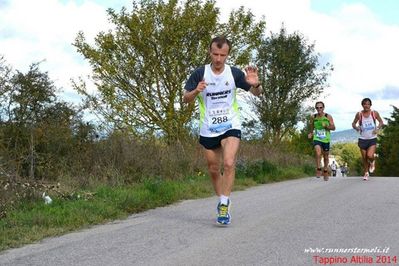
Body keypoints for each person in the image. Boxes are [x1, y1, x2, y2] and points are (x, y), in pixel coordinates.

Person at [183, 36, 263, 225]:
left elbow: (257, 94)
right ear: (210, 52)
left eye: (223, 55)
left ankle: (225, 204)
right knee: (213, 169)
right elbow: (185, 98)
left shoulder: (233, 73)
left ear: (227, 55)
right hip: (208, 126)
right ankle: (222, 199)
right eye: (215, 54)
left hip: (230, 124)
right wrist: (196, 91)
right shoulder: (199, 73)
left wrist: (256, 84)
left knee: (228, 163)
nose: (219, 59)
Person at [352, 98, 384, 181]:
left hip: (372, 138)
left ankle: (372, 162)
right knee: (364, 157)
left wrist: (377, 128)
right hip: (362, 139)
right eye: (364, 104)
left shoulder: (374, 113)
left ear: (370, 105)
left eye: (368, 104)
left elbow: (381, 122)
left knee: (369, 155)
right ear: (362, 105)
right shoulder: (359, 114)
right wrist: (356, 127)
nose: (366, 105)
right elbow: (353, 123)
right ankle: (366, 173)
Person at [308, 101, 336, 181]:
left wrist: (327, 126)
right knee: (318, 152)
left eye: (320, 107)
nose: (319, 109)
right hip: (317, 138)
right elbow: (311, 126)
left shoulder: (328, 116)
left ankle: (325, 170)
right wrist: (310, 133)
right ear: (315, 108)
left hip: (326, 139)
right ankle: (318, 168)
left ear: (323, 108)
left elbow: (333, 127)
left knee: (326, 156)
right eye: (317, 107)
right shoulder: (313, 117)